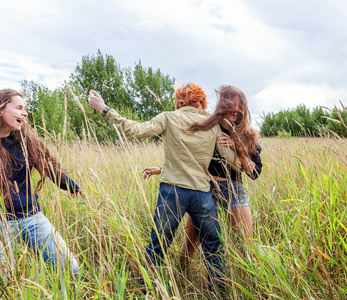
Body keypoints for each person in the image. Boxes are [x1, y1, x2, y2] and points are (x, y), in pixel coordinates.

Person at [88, 83, 241, 293]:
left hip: (172, 192)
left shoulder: (169, 117)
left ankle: (146, 293)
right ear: (201, 101)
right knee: (214, 248)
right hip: (201, 194)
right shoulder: (212, 125)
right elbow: (234, 163)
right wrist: (237, 147)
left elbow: (134, 130)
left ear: (179, 101)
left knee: (158, 246)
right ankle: (219, 295)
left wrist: (104, 109)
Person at [0, 89, 81, 282]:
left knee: (70, 268)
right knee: (2, 282)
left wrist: (70, 185)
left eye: (25, 109)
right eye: (19, 108)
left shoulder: (26, 142)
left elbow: (48, 166)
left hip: (32, 217)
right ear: (0, 110)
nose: (24, 113)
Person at [143, 85, 262, 260]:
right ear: (221, 109)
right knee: (189, 247)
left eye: (238, 113)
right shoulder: (207, 126)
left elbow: (254, 173)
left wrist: (236, 147)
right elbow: (192, 157)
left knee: (247, 246)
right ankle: (183, 274)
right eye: (230, 112)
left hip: (233, 191)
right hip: (204, 190)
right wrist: (162, 169)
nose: (234, 116)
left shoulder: (247, 135)